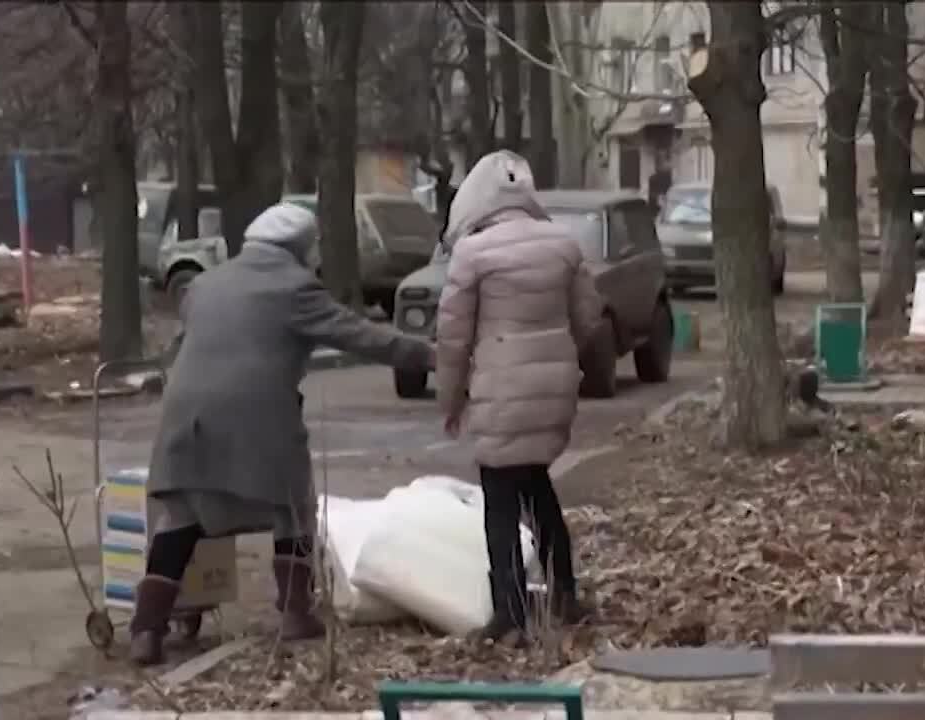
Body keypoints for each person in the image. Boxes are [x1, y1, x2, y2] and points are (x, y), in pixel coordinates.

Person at [130, 203, 434, 666]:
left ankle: (146, 632)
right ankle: (295, 613)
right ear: (300, 248)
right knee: (292, 507)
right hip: (257, 416)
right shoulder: (295, 288)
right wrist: (432, 355)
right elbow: (361, 336)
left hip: (184, 416)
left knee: (181, 518)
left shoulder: (203, 285)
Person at [434, 150, 603, 643]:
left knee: (501, 501)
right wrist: (560, 355)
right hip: (552, 390)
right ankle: (564, 592)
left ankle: (510, 612)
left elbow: (453, 339)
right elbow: (589, 317)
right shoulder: (563, 244)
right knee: (536, 484)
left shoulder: (473, 254)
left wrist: (450, 401)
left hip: (500, 391)